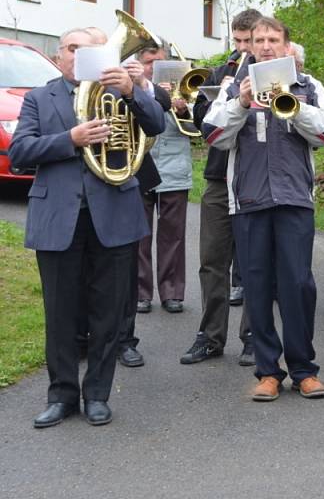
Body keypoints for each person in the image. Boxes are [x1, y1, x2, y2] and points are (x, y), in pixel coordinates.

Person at [10, 27, 165, 427]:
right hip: (58, 217)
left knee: (108, 314)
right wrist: (71, 138)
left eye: (89, 51)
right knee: (60, 314)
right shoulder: (38, 97)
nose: (79, 56)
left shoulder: (118, 92)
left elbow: (158, 125)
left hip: (113, 214)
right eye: (73, 49)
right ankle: (61, 395)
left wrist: (132, 91)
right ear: (59, 55)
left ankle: (97, 394)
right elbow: (20, 153)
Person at [205, 16, 324, 401]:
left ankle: (303, 369)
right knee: (257, 287)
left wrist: (294, 107)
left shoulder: (308, 85)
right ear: (250, 45)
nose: (265, 45)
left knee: (298, 285)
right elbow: (214, 135)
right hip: (248, 201)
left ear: (285, 45)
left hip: (295, 199)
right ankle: (267, 371)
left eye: (273, 39)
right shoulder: (232, 86)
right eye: (259, 39)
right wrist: (241, 103)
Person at [180, 8, 261, 366]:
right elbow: (200, 123)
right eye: (238, 41)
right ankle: (210, 336)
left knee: (254, 262)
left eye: (249, 41)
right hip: (217, 178)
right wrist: (220, 102)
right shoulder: (220, 72)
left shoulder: (271, 76)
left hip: (256, 177)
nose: (243, 48)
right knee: (212, 260)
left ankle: (253, 337)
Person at [116, 42, 173, 368]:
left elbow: (159, 113)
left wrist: (140, 85)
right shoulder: (92, 86)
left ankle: (125, 339)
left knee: (125, 260)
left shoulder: (136, 84)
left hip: (132, 174)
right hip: (94, 177)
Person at [134, 44, 193, 315]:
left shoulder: (184, 86)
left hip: (175, 168)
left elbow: (199, 129)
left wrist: (183, 110)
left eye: (159, 62)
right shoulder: (130, 88)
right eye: (149, 62)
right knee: (139, 234)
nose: (153, 67)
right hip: (140, 165)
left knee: (173, 236)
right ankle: (140, 292)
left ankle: (171, 293)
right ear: (139, 63)